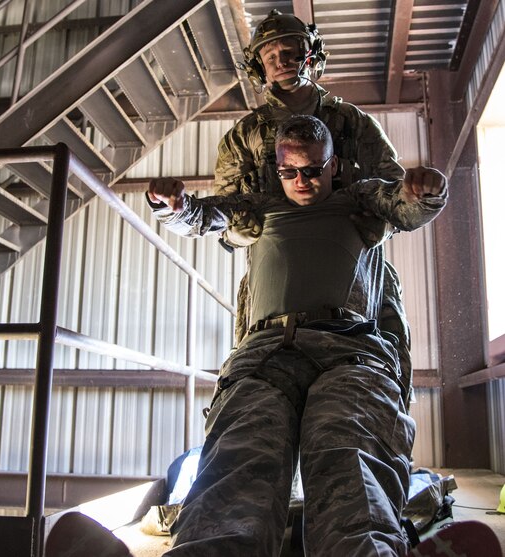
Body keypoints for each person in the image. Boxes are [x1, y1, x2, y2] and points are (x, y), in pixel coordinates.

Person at [147, 115, 447, 556]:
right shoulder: (260, 207)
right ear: (277, 168)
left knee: (351, 457)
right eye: (290, 171)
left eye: (313, 169)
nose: (302, 180)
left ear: (334, 165)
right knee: (237, 460)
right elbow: (206, 216)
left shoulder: (358, 200)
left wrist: (426, 191)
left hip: (350, 351)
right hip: (266, 354)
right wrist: (171, 206)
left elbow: (402, 206)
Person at [216, 9, 415, 407]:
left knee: (381, 383)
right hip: (276, 277)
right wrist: (239, 230)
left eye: (291, 50)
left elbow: (394, 193)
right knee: (257, 385)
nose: (282, 60)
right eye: (271, 55)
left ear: (312, 55)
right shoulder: (243, 138)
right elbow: (226, 215)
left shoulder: (352, 124)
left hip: (354, 270)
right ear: (259, 67)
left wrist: (381, 227)